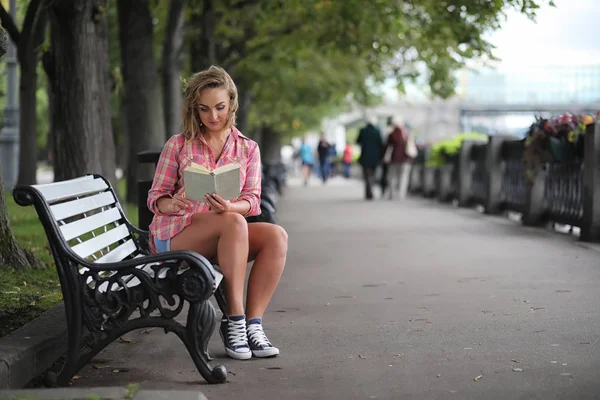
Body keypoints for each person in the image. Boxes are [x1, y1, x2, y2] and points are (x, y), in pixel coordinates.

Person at [147, 66, 288, 360]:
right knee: (234, 223)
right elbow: (155, 198)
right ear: (195, 110)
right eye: (204, 109)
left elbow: (252, 199)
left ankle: (253, 325)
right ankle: (234, 320)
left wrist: (230, 206)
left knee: (275, 235)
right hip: (177, 235)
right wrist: (170, 203)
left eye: (220, 107)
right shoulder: (179, 144)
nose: (213, 116)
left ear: (232, 104)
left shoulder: (248, 148)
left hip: (227, 234)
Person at [384, 116, 415, 200]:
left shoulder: (391, 134)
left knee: (392, 177)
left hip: (393, 159)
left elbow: (386, 146)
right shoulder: (406, 133)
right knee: (404, 177)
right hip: (406, 159)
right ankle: (401, 195)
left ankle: (391, 194)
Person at [356, 119, 384, 200]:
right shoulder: (377, 131)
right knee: (373, 175)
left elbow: (358, 141)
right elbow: (381, 144)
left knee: (367, 175)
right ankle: (371, 190)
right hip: (375, 157)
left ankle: (368, 192)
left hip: (365, 156)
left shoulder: (363, 131)